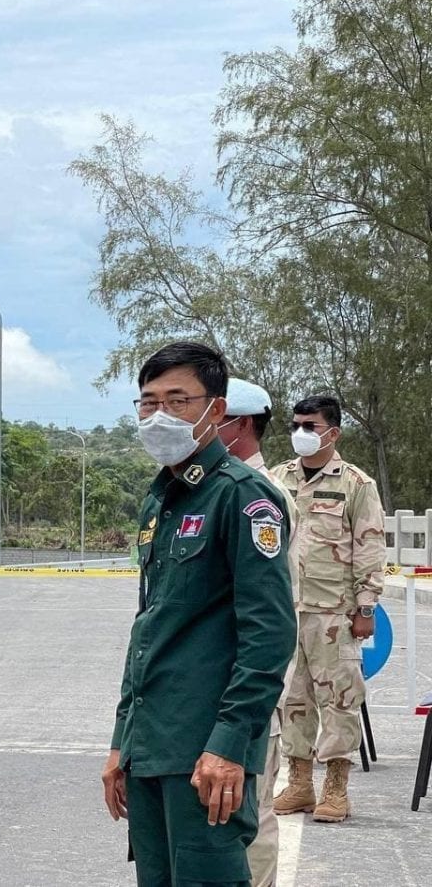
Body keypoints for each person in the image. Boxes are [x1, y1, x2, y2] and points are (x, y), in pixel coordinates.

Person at [102, 342, 296, 887]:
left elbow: (269, 633)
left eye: (178, 399)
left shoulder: (244, 497)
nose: (159, 414)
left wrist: (231, 746)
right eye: (148, 401)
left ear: (215, 408)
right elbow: (150, 628)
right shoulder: (160, 496)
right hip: (152, 746)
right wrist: (123, 740)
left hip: (206, 750)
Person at [270, 395, 385, 824]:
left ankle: (336, 788)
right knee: (293, 699)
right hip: (285, 608)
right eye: (296, 424)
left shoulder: (357, 484)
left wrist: (366, 605)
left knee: (340, 700)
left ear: (332, 432)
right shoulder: (277, 478)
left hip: (334, 611)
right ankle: (299, 784)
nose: (301, 432)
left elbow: (370, 546)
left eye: (310, 426)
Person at [219, 377, 300, 887]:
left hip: (246, 681)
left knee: (250, 813)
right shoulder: (210, 488)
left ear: (241, 424)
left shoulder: (259, 497)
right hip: (214, 679)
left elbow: (268, 617)